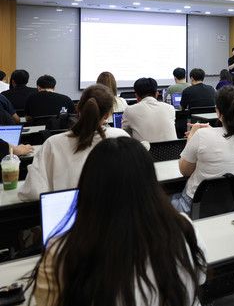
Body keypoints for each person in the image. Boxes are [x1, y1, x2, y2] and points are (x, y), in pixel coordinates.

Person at [30, 136, 206, 306]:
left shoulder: (60, 253)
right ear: (152, 183)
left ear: (88, 185)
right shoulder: (184, 229)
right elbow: (200, 278)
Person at [19, 84, 129, 201]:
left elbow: (32, 193)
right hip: (115, 210)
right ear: (107, 115)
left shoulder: (53, 143)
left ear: (78, 109)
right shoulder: (121, 138)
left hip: (68, 211)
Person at [172, 86, 234, 214]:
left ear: (218, 112)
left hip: (197, 206)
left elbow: (185, 171)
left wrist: (191, 137)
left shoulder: (201, 136)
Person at [122, 78, 176, 143]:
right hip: (172, 149)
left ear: (136, 96)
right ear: (157, 94)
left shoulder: (129, 110)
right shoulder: (170, 108)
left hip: (144, 149)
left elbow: (124, 135)